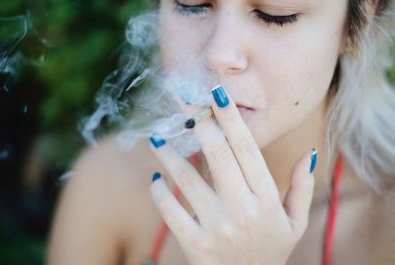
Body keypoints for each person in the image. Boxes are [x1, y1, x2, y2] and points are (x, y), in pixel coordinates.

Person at [47, 0, 395, 264]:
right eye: (191, 4)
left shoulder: (385, 223)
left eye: (275, 14)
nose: (218, 54)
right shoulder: (108, 184)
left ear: (360, 20)